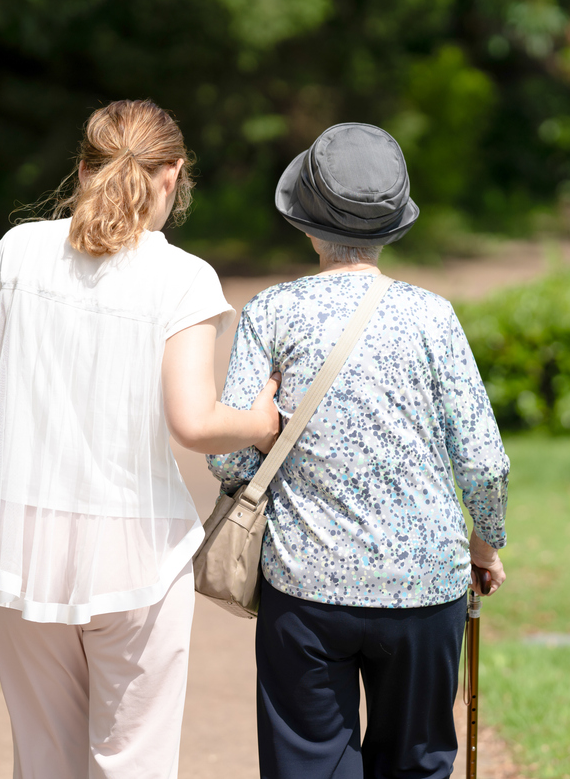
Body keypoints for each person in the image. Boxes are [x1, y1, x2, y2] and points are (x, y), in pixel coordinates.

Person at [0, 99, 280, 779]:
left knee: (43, 759)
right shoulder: (183, 278)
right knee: (133, 763)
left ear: (83, 166)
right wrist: (263, 419)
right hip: (138, 554)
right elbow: (195, 422)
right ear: (173, 175)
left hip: (20, 542)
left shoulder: (16, 255)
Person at [207, 123, 511, 779]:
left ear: (306, 221)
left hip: (306, 587)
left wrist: (271, 440)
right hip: (426, 590)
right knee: (415, 765)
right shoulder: (434, 317)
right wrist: (483, 547)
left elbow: (227, 456)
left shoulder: (271, 312)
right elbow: (484, 462)